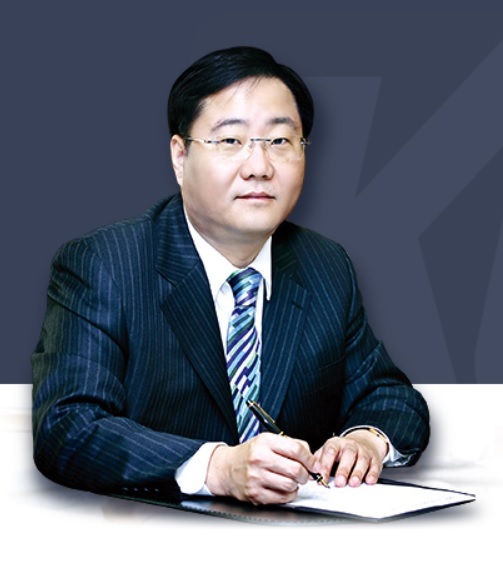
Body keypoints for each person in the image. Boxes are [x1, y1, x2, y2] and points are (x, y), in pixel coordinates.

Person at [32, 46, 429, 506]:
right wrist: (217, 468)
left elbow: (391, 396)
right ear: (180, 156)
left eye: (280, 141)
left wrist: (364, 441)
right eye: (230, 141)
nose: (259, 167)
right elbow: (67, 426)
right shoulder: (105, 263)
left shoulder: (325, 265)